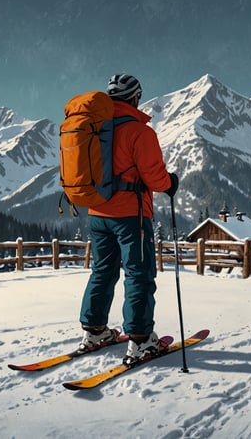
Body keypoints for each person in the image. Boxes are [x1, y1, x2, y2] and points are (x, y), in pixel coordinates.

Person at [77, 74, 179, 365]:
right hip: (130, 216)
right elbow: (154, 177)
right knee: (139, 274)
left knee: (103, 271)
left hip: (97, 213)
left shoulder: (94, 129)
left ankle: (94, 331)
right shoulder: (139, 132)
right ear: (136, 97)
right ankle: (141, 340)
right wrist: (171, 182)